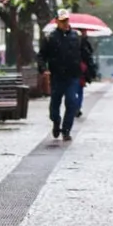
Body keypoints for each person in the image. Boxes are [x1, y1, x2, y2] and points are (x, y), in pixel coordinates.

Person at [38, 10, 84, 141]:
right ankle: (56, 121)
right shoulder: (50, 37)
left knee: (71, 102)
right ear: (57, 21)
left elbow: (83, 54)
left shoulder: (76, 36)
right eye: (62, 21)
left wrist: (87, 71)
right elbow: (41, 55)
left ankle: (66, 130)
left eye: (66, 20)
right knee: (55, 103)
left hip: (72, 75)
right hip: (57, 76)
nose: (65, 23)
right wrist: (43, 69)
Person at [77, 30, 97, 117]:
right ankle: (76, 107)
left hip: (80, 69)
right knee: (77, 89)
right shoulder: (83, 42)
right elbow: (89, 55)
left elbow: (89, 54)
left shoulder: (84, 42)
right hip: (79, 68)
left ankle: (76, 107)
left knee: (78, 89)